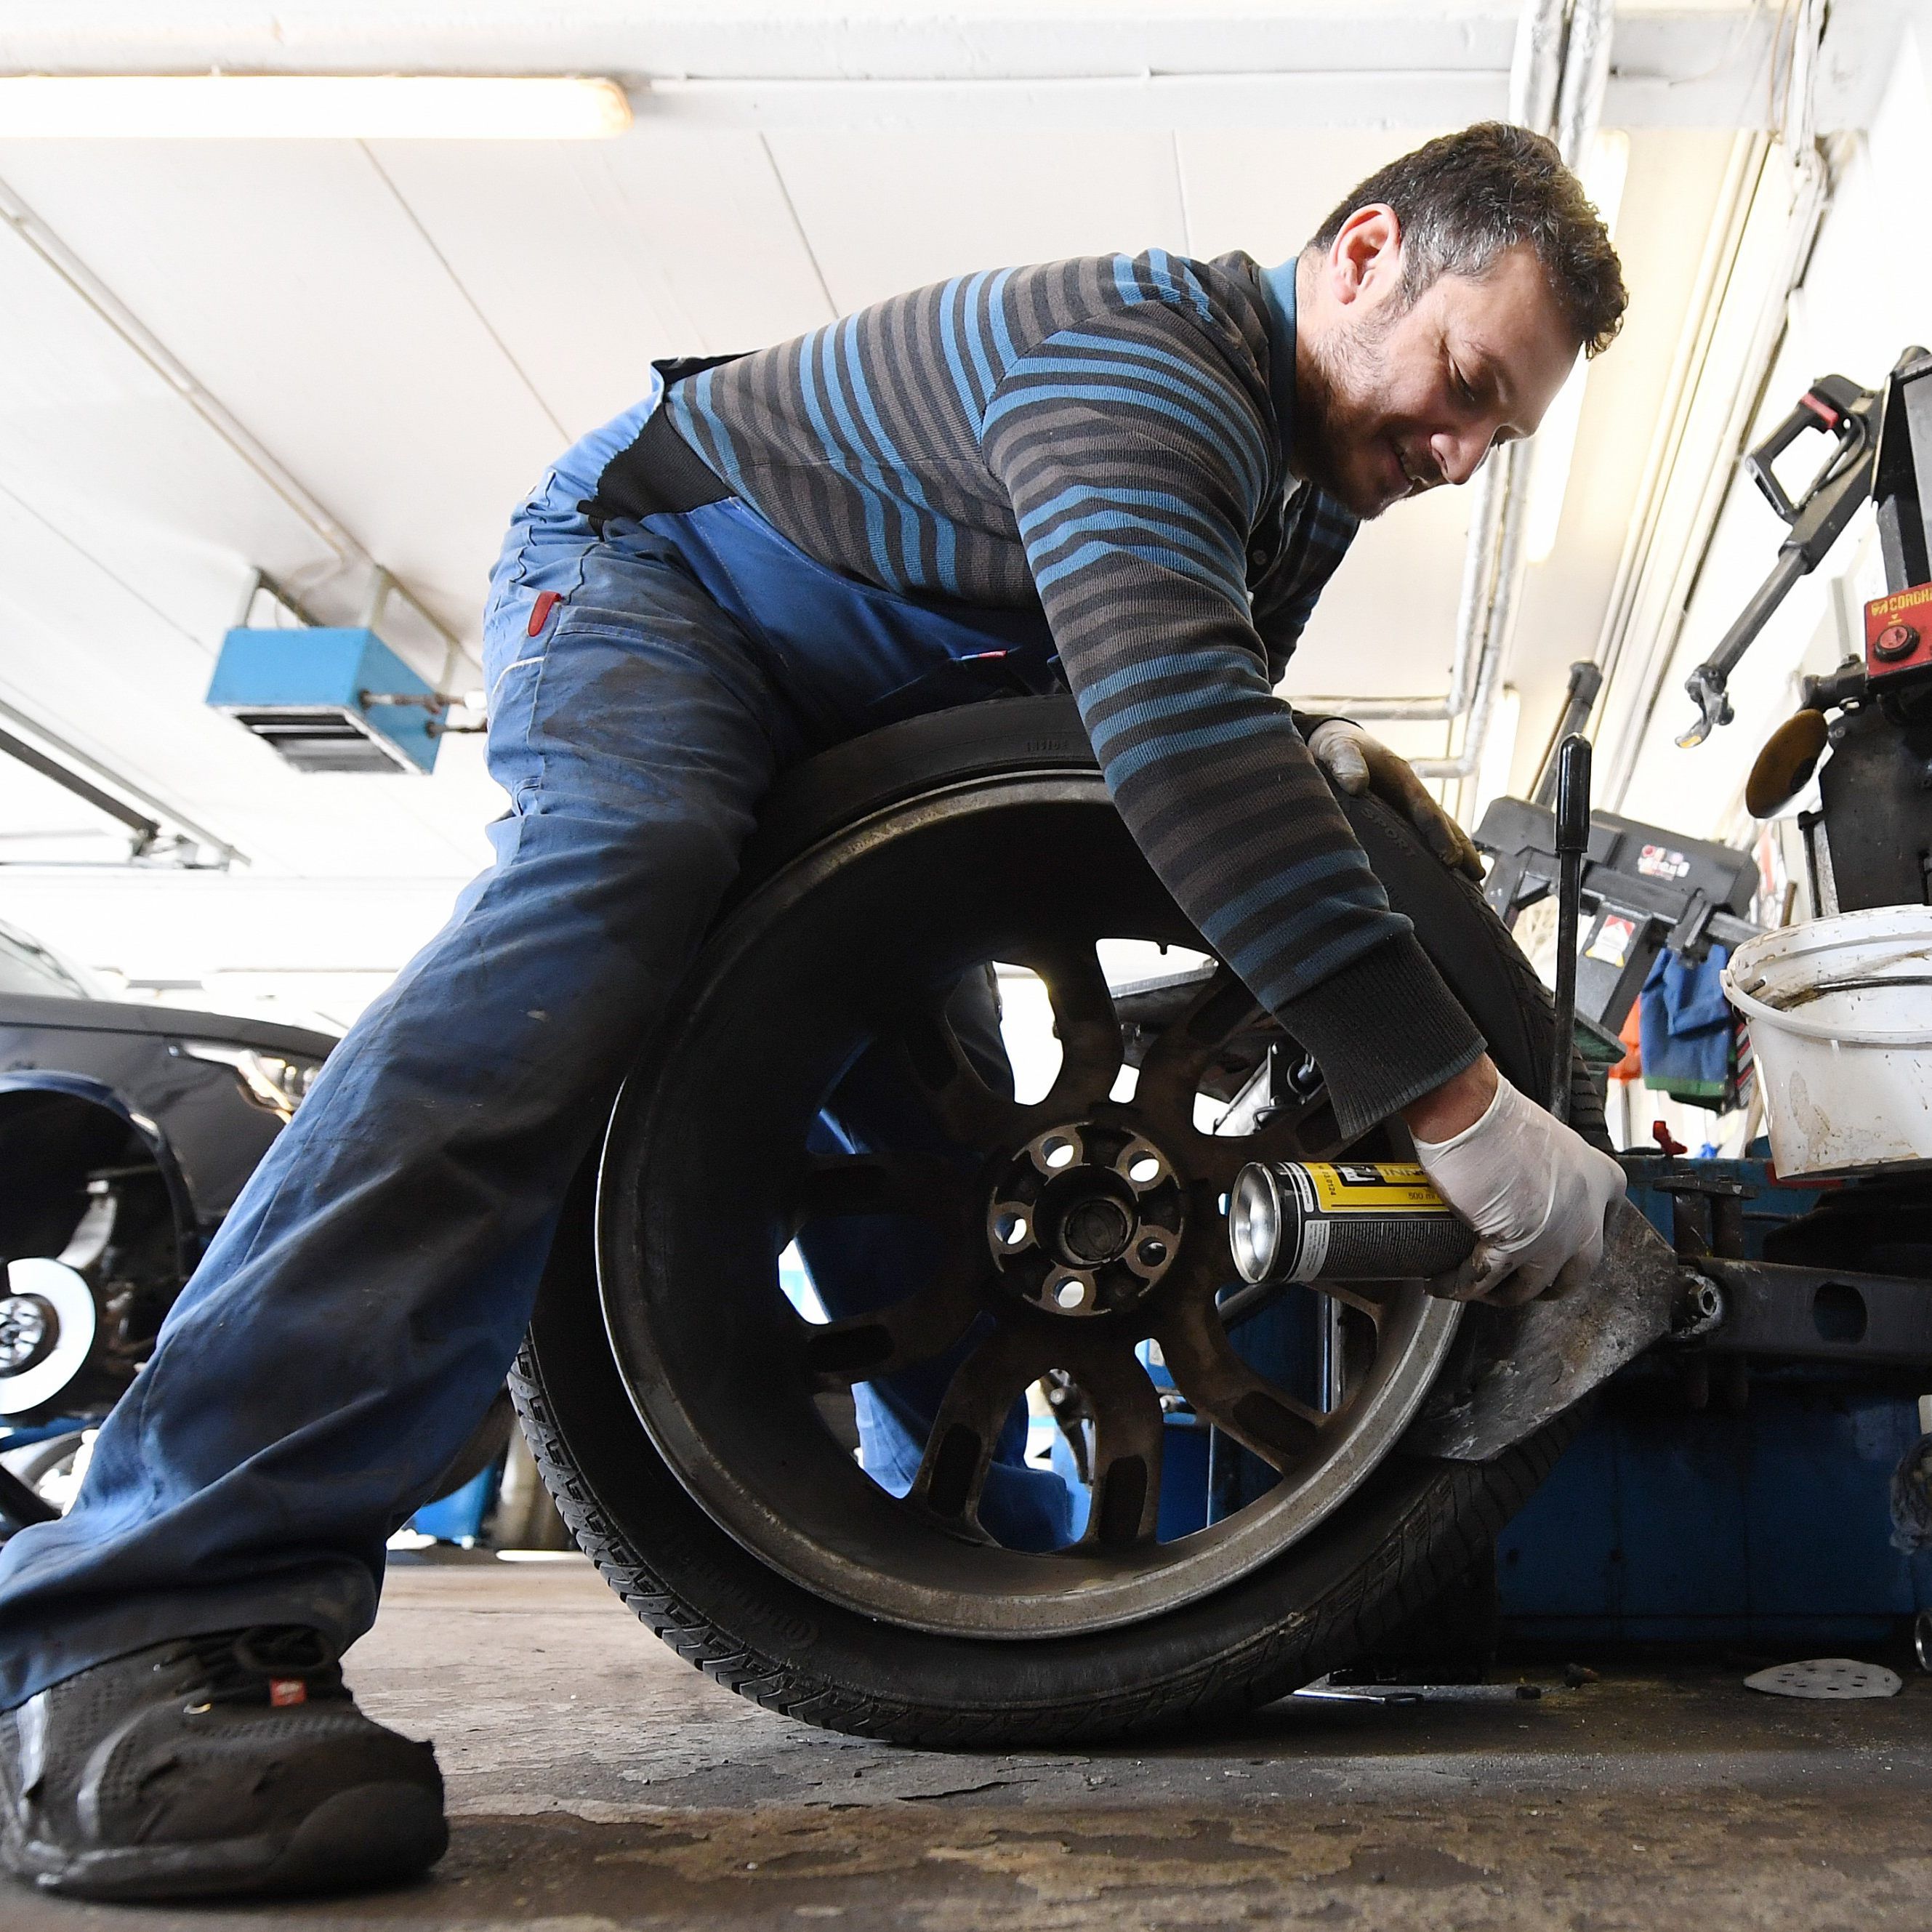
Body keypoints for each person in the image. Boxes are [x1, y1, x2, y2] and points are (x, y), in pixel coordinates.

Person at [0, 120, 1628, 1901]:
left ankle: (963, 1561)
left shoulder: (1298, 489)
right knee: (608, 901)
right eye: (1467, 385)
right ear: (1366, 252)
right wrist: (1457, 1106)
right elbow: (1174, 739)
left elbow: (1146, 771)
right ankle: (145, 1624)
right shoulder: (1142, 362)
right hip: (666, 588)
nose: (1462, 454)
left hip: (865, 726)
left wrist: (1338, 852)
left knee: (931, 1121)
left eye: (1499, 434)